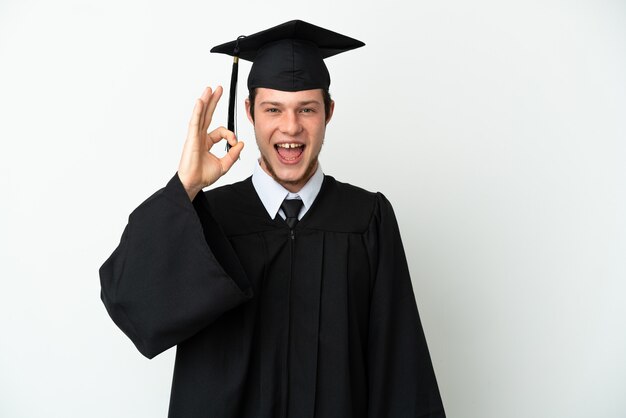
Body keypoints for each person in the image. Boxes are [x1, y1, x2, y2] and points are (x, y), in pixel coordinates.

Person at [100, 20, 446, 418]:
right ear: (249, 112)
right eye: (273, 109)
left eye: (307, 109)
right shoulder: (206, 218)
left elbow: (400, 371)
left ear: (328, 112)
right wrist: (186, 187)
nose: (290, 126)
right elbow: (129, 301)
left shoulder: (367, 219)